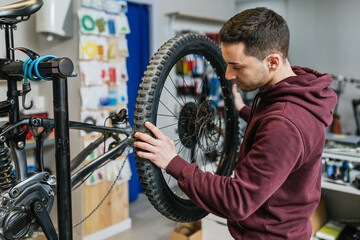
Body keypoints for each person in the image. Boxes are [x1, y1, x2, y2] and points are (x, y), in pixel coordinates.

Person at [134, 7, 337, 240]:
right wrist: (244, 110)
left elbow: (237, 200)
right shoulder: (291, 93)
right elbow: (273, 127)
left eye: (237, 66)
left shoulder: (284, 123)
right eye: (227, 64)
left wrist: (174, 162)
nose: (228, 74)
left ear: (272, 62)